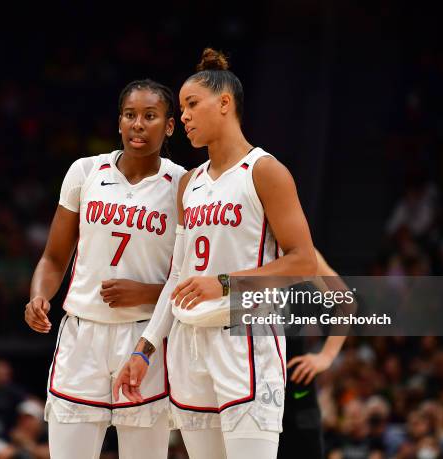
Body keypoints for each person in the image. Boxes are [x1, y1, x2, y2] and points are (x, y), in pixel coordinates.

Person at [114, 49, 317, 458]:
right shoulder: (189, 183)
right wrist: (145, 348)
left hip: (245, 337)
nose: (183, 116)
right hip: (190, 344)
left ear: (224, 103)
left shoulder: (264, 171)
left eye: (191, 104)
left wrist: (223, 284)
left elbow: (304, 261)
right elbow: (177, 277)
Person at [24, 79, 186, 459]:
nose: (138, 124)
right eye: (130, 115)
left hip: (146, 338)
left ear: (169, 126)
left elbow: (190, 273)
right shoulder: (85, 172)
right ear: (119, 123)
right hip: (82, 334)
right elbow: (53, 257)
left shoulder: (183, 183)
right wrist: (38, 296)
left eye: (150, 116)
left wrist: (146, 292)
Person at [278, 249, 348, 459]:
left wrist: (326, 356)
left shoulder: (298, 251)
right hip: (244, 383)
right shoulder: (236, 244)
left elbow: (345, 302)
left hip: (294, 387)